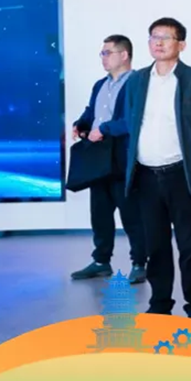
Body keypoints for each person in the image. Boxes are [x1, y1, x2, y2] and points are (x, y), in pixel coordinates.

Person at [125, 18, 191, 320]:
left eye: (166, 37)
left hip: (181, 175)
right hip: (146, 175)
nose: (158, 42)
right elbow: (131, 122)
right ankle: (160, 304)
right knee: (156, 245)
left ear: (182, 45)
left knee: (190, 247)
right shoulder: (137, 80)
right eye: (154, 36)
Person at [70, 35, 147, 285]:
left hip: (122, 158)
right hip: (99, 157)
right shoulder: (99, 85)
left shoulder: (137, 83)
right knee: (100, 212)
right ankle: (101, 261)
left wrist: (104, 129)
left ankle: (139, 263)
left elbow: (133, 120)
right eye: (102, 53)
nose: (103, 58)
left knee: (131, 213)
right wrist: (81, 124)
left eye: (107, 53)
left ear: (124, 55)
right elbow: (92, 112)